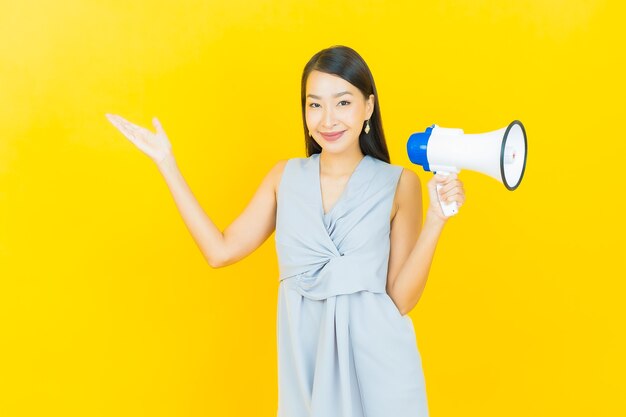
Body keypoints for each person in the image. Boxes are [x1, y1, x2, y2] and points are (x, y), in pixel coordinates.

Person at [106, 45, 465, 417]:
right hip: (305, 371)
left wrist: (436, 220)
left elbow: (400, 299)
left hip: (381, 372)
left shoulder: (399, 182)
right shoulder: (284, 178)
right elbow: (220, 251)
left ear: (368, 107)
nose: (328, 119)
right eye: (315, 105)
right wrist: (167, 163)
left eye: (343, 103)